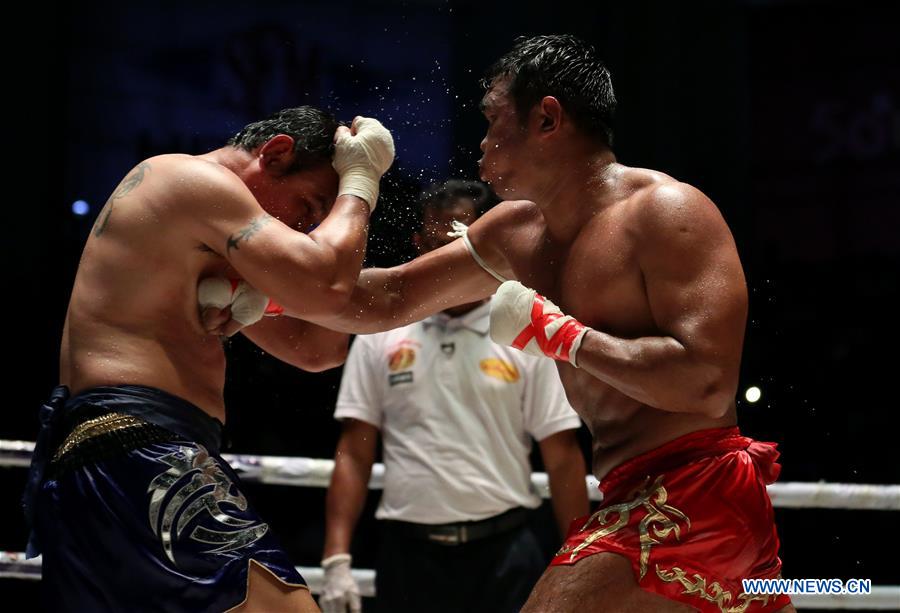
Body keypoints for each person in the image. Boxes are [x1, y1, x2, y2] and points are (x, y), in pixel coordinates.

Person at [302, 35, 793, 612]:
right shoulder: (515, 233)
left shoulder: (665, 212)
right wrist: (257, 282)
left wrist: (563, 338)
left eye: (492, 119)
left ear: (547, 118)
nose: (481, 143)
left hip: (695, 489)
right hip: (628, 493)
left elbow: (707, 383)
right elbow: (386, 299)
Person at [24, 107, 394, 612]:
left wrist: (267, 294)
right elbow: (326, 287)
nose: (305, 229)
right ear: (277, 153)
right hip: (139, 446)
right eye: (307, 207)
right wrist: (360, 181)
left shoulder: (208, 248)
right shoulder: (186, 177)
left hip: (113, 457)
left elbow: (318, 348)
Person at [318, 180, 589, 613]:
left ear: (485, 245)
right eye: (437, 244)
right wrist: (335, 558)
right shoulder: (380, 329)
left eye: (459, 243)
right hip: (408, 554)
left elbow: (562, 456)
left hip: (506, 552)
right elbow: (354, 451)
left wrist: (577, 560)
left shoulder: (526, 327)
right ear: (418, 245)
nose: (447, 258)